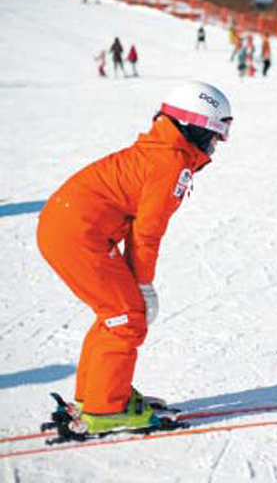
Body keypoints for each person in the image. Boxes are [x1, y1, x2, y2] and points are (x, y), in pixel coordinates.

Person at [36, 81, 233, 435]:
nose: (217, 144)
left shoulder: (162, 150)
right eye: (215, 134)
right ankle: (105, 408)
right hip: (77, 233)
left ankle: (96, 396)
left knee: (115, 314)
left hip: (70, 226)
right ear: (195, 126)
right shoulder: (170, 162)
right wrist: (142, 284)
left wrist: (135, 284)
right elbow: (147, 232)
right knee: (125, 317)